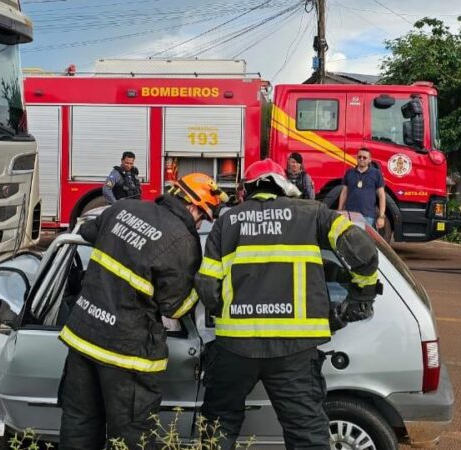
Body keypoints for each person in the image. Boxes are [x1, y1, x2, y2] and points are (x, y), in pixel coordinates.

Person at [195, 158, 380, 450]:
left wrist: (226, 313)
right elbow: (362, 250)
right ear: (284, 187)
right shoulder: (313, 214)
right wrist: (361, 297)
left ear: (247, 190)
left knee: (219, 426)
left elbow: (207, 286)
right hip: (294, 350)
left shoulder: (227, 222)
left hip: (235, 347)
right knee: (305, 433)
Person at [59, 173, 228, 450]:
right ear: (194, 206)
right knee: (131, 438)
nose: (200, 225)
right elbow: (176, 307)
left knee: (79, 426)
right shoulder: (184, 243)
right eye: (203, 217)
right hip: (128, 354)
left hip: (84, 337)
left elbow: (88, 233)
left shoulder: (125, 207)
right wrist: (202, 281)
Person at [338, 148, 386, 229]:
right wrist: (339, 210)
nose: (361, 159)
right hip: (350, 215)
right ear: (356, 158)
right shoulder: (349, 172)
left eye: (364, 157)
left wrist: (381, 217)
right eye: (359, 157)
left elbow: (382, 195)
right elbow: (344, 192)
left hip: (367, 216)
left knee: (364, 240)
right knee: (350, 239)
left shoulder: (376, 173)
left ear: (370, 160)